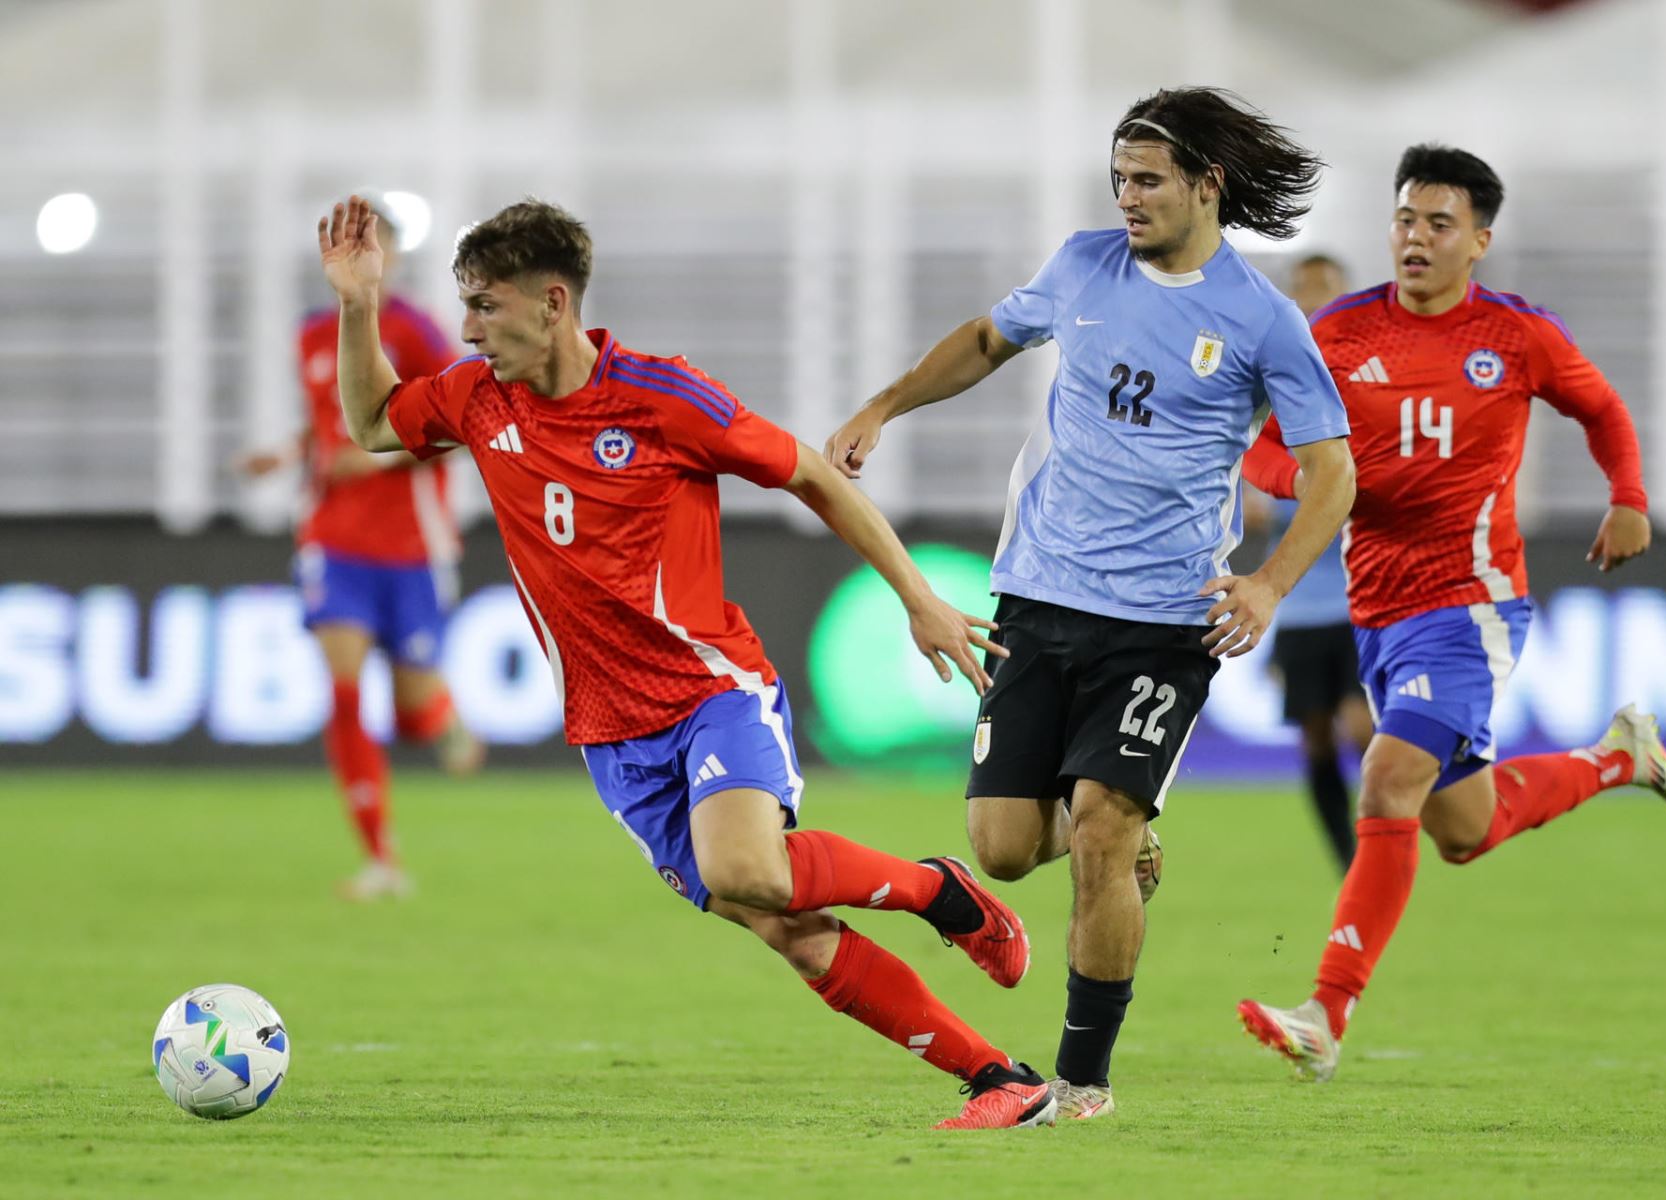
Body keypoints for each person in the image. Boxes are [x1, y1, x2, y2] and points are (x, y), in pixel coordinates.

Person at [317, 194, 1056, 1130]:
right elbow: (375, 423)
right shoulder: (478, 399)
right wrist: (358, 305)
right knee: (784, 926)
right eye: (464, 305)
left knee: (747, 865)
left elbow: (815, 476)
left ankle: (936, 890)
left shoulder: (662, 396)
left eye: (486, 305)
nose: (468, 328)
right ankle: (1002, 1081)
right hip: (608, 734)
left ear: (553, 303)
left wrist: (919, 598)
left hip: (711, 691)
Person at [825, 87, 1357, 1120]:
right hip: (1037, 592)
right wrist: (882, 405)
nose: (1128, 197)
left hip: (1165, 619)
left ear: (1207, 185)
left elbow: (1331, 470)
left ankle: (1082, 1084)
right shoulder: (1080, 265)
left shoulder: (1261, 318)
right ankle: (1125, 832)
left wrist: (1267, 583)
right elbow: (988, 338)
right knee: (1004, 849)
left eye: (1148, 179)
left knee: (1102, 830)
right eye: (1120, 178)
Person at [1237, 144, 1666, 1082]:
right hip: (1378, 610)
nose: (1415, 237)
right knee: (1461, 831)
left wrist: (1629, 494)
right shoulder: (1341, 332)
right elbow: (1265, 450)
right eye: (1405, 219)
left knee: (1388, 777)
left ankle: (1326, 1011)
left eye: (1439, 224)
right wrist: (1319, 478)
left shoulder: (1518, 336)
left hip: (1473, 602)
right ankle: (1618, 758)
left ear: (1479, 241)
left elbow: (1601, 409)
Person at [242, 194, 483, 901]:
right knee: (344, 690)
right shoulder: (310, 335)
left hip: (411, 544)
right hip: (333, 537)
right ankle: (381, 857)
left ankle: (439, 712)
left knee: (409, 715)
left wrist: (376, 461)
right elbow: (327, 423)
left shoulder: (415, 333)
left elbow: (459, 422)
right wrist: (288, 455)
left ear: (396, 256)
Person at [1265, 253, 1372, 873]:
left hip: (1358, 600)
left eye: (1325, 294)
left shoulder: (1365, 384)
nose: (1314, 306)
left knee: (1361, 727)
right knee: (1314, 738)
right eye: (1304, 295)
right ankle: (1347, 859)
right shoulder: (1273, 387)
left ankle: (1387, 837)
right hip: (1299, 601)